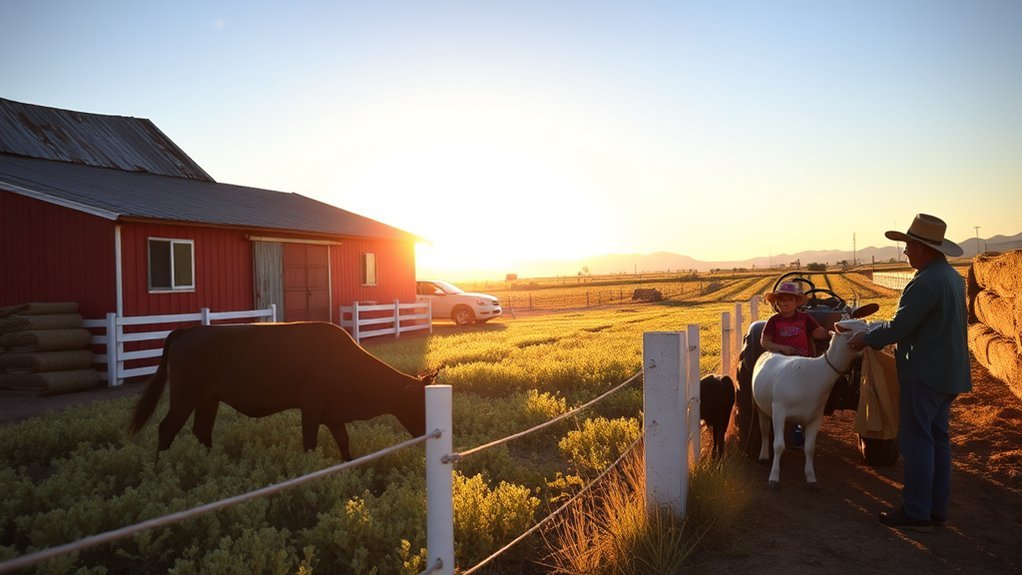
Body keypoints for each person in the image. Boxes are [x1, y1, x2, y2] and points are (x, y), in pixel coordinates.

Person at [848, 213, 971, 533]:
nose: (904, 252)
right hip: (950, 371)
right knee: (938, 439)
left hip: (924, 371)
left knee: (916, 441)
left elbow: (901, 327)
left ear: (920, 247)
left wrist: (866, 337)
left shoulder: (925, 282)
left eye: (907, 246)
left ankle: (916, 510)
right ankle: (936, 509)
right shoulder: (952, 278)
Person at [761, 280, 830, 448]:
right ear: (776, 302)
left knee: (805, 396)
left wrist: (833, 331)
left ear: (796, 302)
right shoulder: (774, 321)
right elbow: (765, 342)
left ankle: (802, 426)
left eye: (789, 300)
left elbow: (818, 333)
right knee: (786, 398)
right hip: (781, 365)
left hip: (803, 363)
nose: (785, 303)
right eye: (782, 300)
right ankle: (786, 428)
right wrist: (781, 348)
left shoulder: (805, 318)